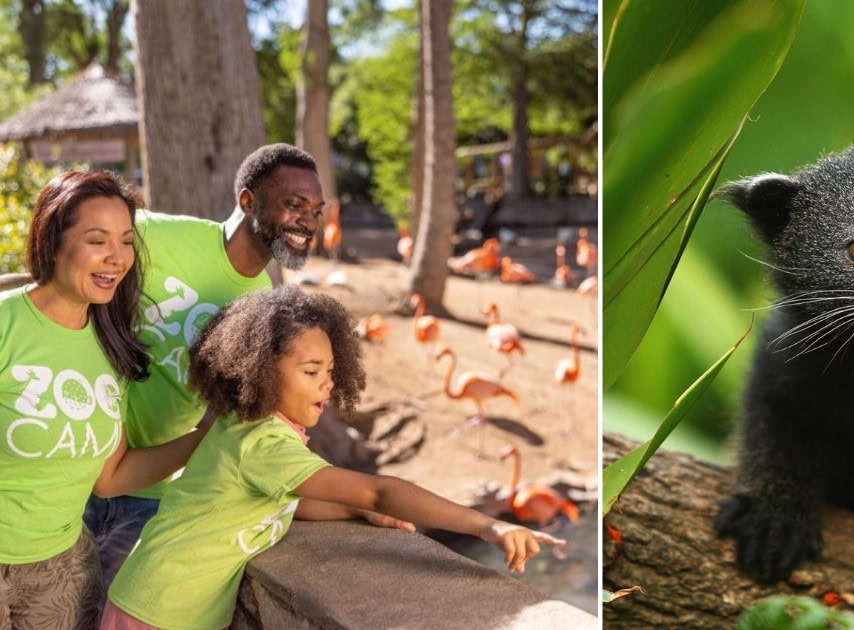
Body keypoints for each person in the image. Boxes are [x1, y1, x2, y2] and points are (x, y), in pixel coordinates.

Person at [100, 286, 565, 629]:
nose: (327, 383)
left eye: (330, 370)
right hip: (158, 613)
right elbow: (379, 491)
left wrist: (352, 511)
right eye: (310, 371)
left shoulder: (244, 424)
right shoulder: (262, 443)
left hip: (161, 601)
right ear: (260, 371)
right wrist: (488, 526)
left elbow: (283, 501)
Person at [83, 144, 333, 592]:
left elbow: (231, 418)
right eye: (295, 204)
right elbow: (63, 281)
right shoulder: (152, 234)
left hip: (148, 490)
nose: (308, 221)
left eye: (316, 210)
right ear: (248, 201)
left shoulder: (262, 306)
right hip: (73, 468)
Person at [0, 171, 211, 629]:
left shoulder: (111, 344)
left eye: (127, 242)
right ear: (53, 241)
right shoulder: (6, 324)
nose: (117, 258)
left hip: (63, 574)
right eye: (98, 241)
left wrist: (206, 436)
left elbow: (111, 479)